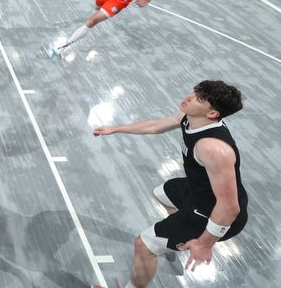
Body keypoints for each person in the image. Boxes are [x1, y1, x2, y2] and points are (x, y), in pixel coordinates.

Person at [92, 81, 248, 288]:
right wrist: (116, 128)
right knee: (161, 193)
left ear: (212, 114)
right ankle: (172, 241)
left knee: (143, 244)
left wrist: (204, 243)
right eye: (194, 92)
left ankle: (164, 244)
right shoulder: (190, 117)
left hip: (213, 213)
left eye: (198, 99)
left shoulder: (212, 148)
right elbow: (156, 126)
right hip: (198, 191)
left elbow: (229, 208)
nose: (188, 97)